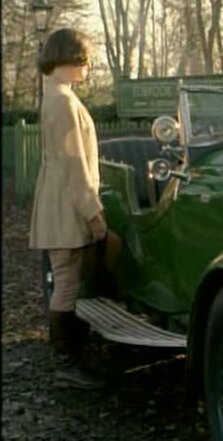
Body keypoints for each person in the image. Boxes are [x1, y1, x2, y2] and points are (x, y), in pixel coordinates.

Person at [29, 28, 106, 389]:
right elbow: (75, 165)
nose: (87, 68)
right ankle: (65, 364)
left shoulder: (56, 96)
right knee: (66, 283)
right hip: (66, 205)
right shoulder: (61, 100)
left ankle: (71, 358)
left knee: (67, 280)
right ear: (70, 59)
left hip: (61, 200)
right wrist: (93, 213)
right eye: (84, 60)